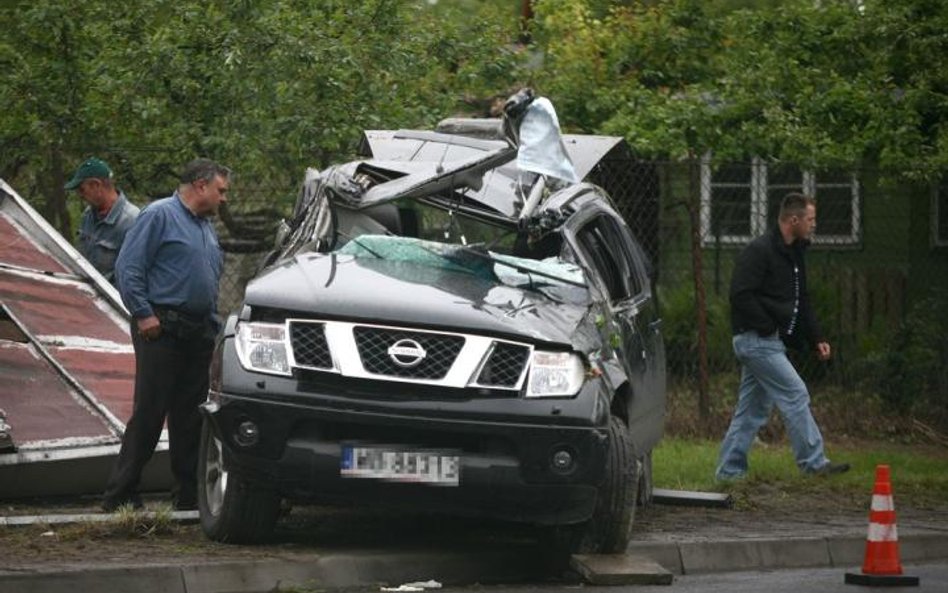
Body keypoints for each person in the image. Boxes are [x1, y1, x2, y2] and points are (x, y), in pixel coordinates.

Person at [102, 158, 231, 511]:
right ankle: (120, 494)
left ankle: (188, 497)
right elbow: (129, 267)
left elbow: (208, 280)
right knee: (150, 413)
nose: (224, 199)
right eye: (221, 191)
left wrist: (212, 325)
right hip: (161, 329)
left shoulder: (205, 228)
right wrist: (143, 314)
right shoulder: (158, 215)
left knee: (190, 417)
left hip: (197, 333)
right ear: (201, 185)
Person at [716, 192, 849, 480]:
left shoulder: (795, 254)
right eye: (810, 219)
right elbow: (740, 295)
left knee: (751, 409)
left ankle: (728, 471)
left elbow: (803, 301)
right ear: (793, 219)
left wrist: (816, 338)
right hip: (755, 340)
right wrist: (766, 326)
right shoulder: (760, 250)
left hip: (768, 341)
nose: (813, 225)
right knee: (795, 393)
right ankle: (813, 464)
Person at [63, 157, 140, 283]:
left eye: (82, 190)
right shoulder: (88, 215)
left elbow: (133, 276)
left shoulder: (132, 221)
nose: (80, 195)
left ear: (96, 185)